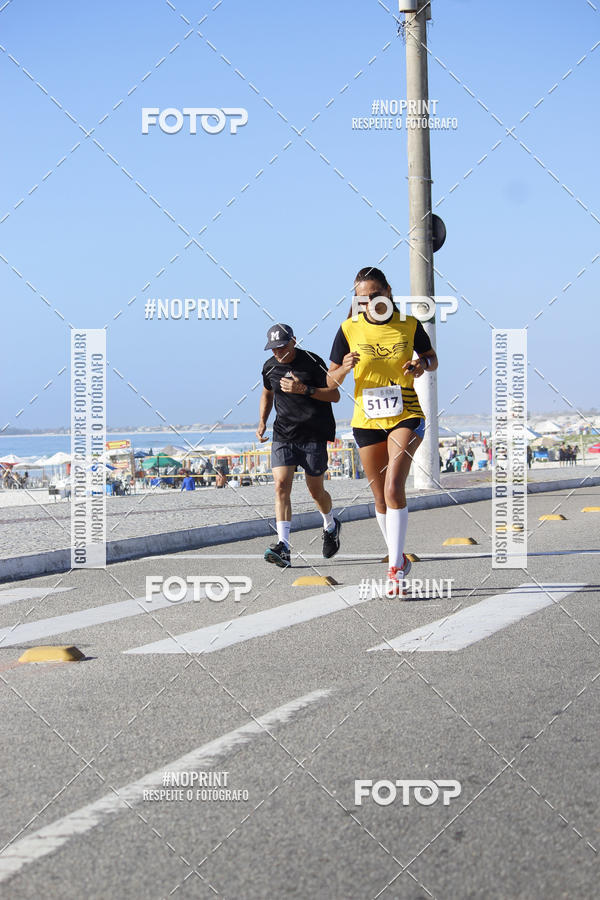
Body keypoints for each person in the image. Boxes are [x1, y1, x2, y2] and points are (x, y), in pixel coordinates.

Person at [328, 266, 437, 597]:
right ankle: (399, 557)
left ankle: (394, 571)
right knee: (379, 496)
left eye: (375, 294)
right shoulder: (348, 329)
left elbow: (431, 358)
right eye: (363, 297)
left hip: (406, 414)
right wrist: (344, 368)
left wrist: (420, 365)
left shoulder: (409, 325)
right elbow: (330, 381)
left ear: (388, 291)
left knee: (393, 487)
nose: (370, 301)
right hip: (366, 420)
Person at [257, 323, 342, 568]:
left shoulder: (312, 362)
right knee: (281, 485)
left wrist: (303, 389)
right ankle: (283, 546)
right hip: (283, 435)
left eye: (282, 347)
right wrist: (262, 421)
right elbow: (267, 393)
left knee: (316, 491)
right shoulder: (269, 367)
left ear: (293, 341)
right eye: (273, 349)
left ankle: (330, 525)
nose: (278, 353)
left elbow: (334, 395)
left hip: (313, 435)